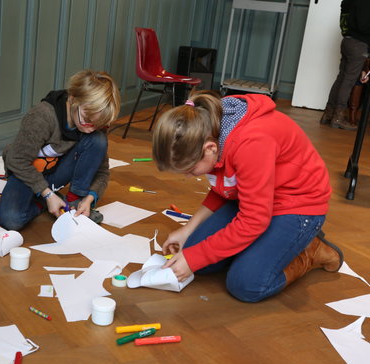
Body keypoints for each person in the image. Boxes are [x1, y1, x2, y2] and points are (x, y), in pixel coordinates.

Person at [152, 91, 344, 303]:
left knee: (246, 284)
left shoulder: (251, 142)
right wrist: (187, 230)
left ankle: (310, 251)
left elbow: (253, 220)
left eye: (190, 169)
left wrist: (195, 257)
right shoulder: (209, 128)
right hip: (255, 200)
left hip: (298, 206)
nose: (189, 176)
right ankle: (262, 249)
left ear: (210, 148)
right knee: (194, 255)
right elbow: (223, 187)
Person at [0, 70, 121, 230]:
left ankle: (75, 199)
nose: (91, 128)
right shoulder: (42, 116)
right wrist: (46, 194)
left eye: (98, 124)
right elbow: (16, 160)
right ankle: (41, 200)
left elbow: (102, 171)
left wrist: (90, 198)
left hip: (56, 173)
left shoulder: (94, 124)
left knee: (98, 140)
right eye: (87, 120)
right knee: (11, 220)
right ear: (72, 99)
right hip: (26, 173)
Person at [320, 0, 370, 130]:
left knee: (341, 78)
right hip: (359, 44)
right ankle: (338, 118)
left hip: (347, 41)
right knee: (348, 81)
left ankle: (328, 114)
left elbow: (345, 18)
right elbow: (364, 26)